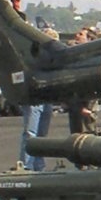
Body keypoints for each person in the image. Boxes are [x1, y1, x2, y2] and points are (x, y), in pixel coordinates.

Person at [17, 27, 61, 170]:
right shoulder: (32, 58)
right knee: (31, 133)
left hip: (46, 96)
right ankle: (27, 165)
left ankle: (38, 165)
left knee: (42, 135)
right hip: (34, 96)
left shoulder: (50, 60)